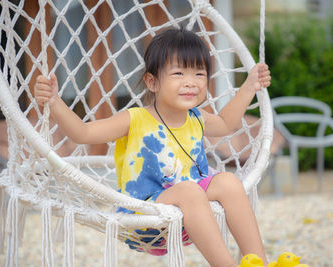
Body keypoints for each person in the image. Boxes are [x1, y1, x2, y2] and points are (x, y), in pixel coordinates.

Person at [34, 27, 271, 267]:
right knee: (189, 190)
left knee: (229, 182)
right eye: (178, 73)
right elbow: (83, 133)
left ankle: (258, 262)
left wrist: (250, 86)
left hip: (191, 213)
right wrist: (54, 102)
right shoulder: (135, 119)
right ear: (152, 82)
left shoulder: (196, 117)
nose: (191, 82)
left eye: (199, 74)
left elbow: (225, 123)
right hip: (145, 216)